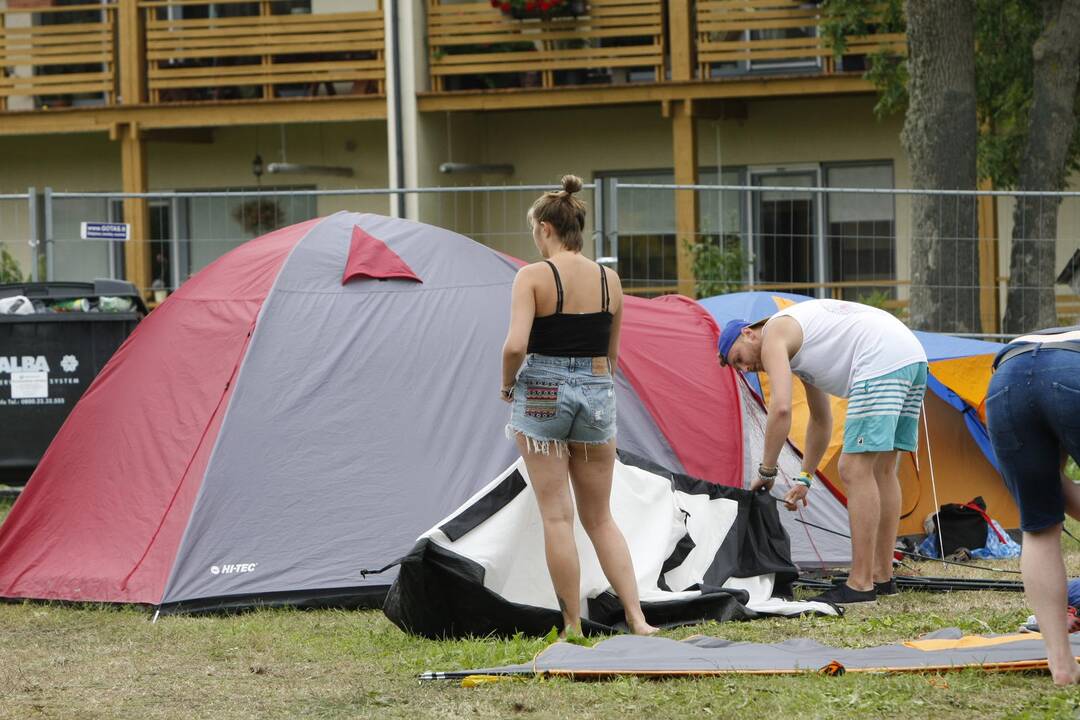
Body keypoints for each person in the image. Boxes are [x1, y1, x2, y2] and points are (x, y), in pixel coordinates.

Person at [500, 174, 657, 637]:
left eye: (534, 230)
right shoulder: (610, 280)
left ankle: (572, 625)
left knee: (557, 515)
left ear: (546, 228)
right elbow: (611, 353)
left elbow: (514, 346)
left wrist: (508, 385)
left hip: (543, 392)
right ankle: (638, 619)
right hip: (596, 390)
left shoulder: (532, 276)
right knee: (600, 517)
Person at [718, 299, 928, 604]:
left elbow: (780, 410)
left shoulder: (774, 333)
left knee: (854, 469)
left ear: (749, 333)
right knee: (882, 470)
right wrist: (805, 477)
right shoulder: (800, 343)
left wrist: (767, 470)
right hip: (911, 358)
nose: (746, 368)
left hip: (880, 359)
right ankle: (882, 577)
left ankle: (860, 583)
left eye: (739, 358)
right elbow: (820, 419)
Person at [985, 324, 1080, 685]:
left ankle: (1062, 666)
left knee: (1038, 527)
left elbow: (1054, 489)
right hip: (1072, 368)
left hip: (1007, 373)